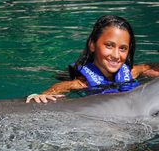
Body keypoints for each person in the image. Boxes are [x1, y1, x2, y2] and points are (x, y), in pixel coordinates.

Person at [26, 15, 159, 103]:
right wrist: (39, 95)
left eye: (123, 48)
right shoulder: (81, 83)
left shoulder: (130, 72)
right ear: (92, 45)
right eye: (109, 45)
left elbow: (147, 68)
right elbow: (51, 92)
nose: (116, 55)